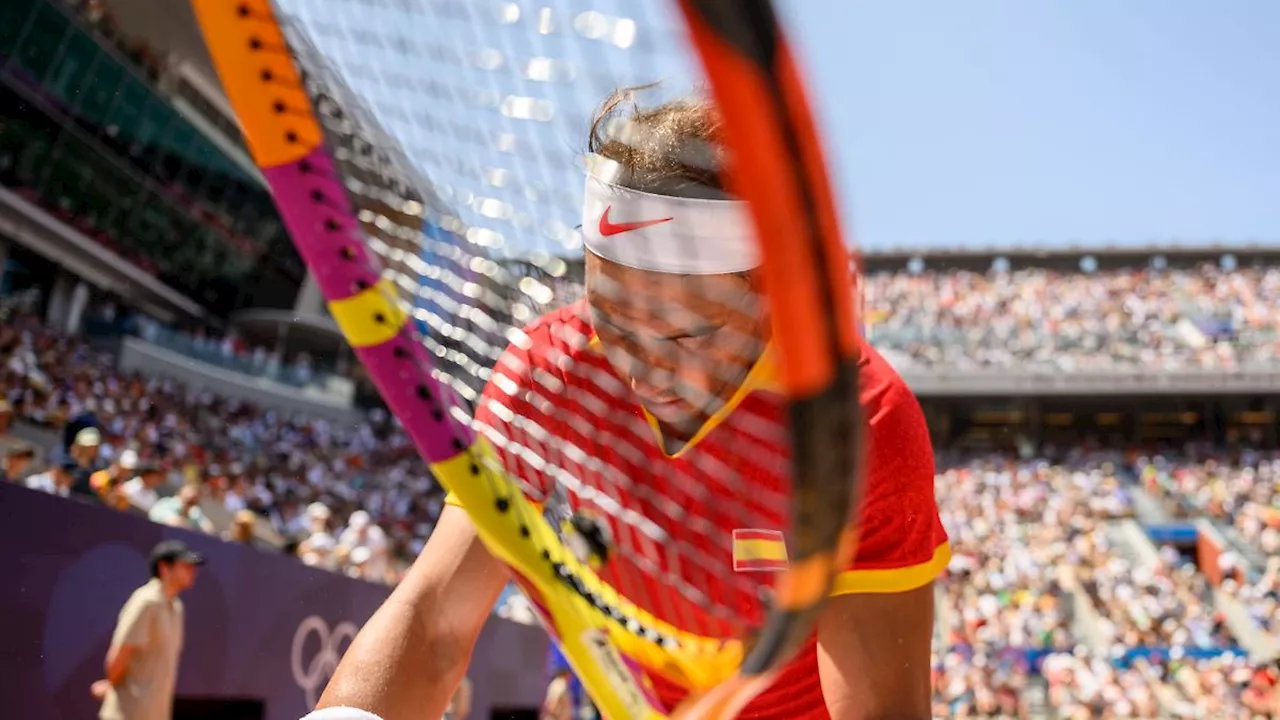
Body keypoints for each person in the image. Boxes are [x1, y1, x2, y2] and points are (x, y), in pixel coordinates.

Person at [305, 89, 947, 720]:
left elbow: (878, 708)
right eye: (611, 322)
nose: (642, 371)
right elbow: (435, 621)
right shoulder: (544, 377)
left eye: (687, 334)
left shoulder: (860, 422)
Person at [92, 540, 204, 720]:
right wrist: (114, 687)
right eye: (185, 565)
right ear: (164, 568)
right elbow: (117, 659)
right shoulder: (146, 602)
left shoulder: (176, 608)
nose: (193, 571)